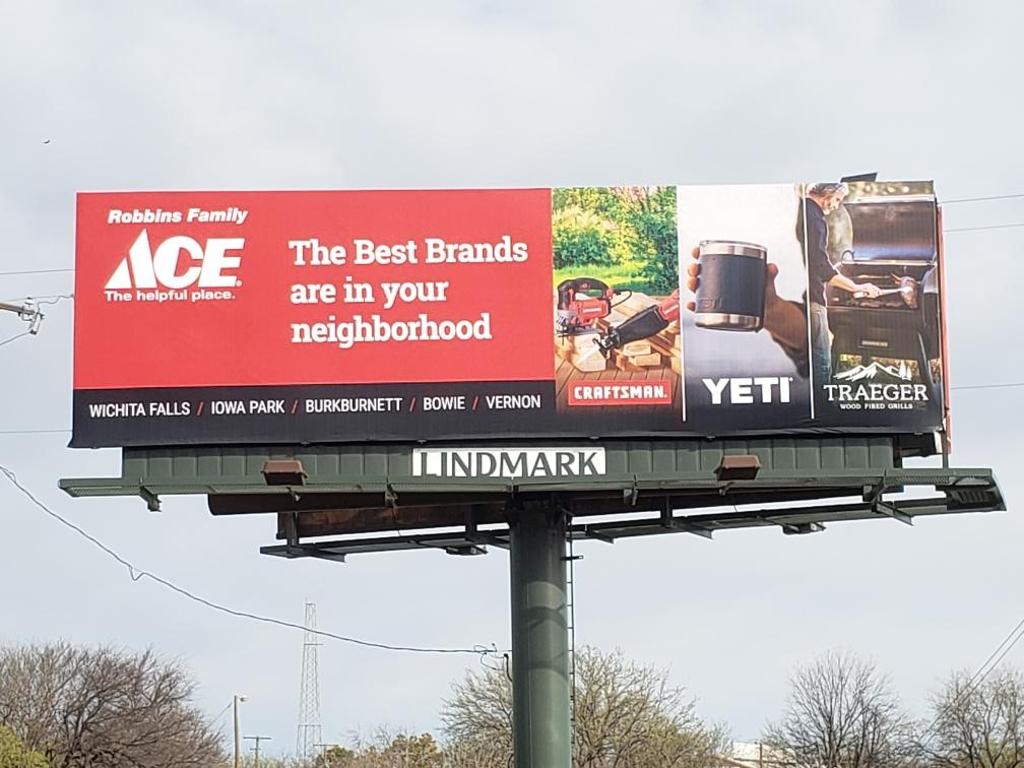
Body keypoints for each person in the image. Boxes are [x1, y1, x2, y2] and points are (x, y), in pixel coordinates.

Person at [684, 183, 881, 383]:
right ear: (826, 192)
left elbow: (804, 342)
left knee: (820, 361)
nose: (837, 206)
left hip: (807, 312)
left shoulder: (804, 212)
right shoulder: (813, 218)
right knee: (822, 369)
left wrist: (769, 310)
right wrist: (857, 287)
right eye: (837, 199)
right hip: (814, 304)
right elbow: (821, 267)